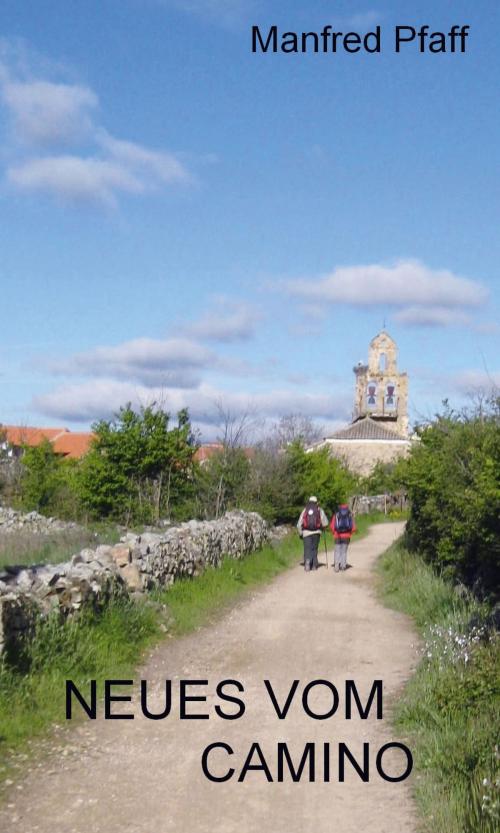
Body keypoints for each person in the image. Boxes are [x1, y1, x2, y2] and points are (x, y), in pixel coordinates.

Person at [297, 496, 329, 571]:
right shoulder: (319, 510)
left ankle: (307, 562)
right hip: (316, 532)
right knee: (314, 548)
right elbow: (325, 523)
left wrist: (301, 533)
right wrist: (323, 527)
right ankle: (314, 565)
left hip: (306, 533)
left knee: (307, 548)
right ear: (316, 502)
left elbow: (299, 524)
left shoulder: (305, 510)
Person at [330, 503, 356, 572]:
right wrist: (350, 533)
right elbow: (353, 528)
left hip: (337, 535)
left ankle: (336, 567)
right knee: (344, 552)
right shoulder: (350, 515)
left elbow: (332, 526)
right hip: (346, 536)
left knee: (337, 551)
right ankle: (343, 566)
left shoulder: (336, 515)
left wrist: (334, 532)